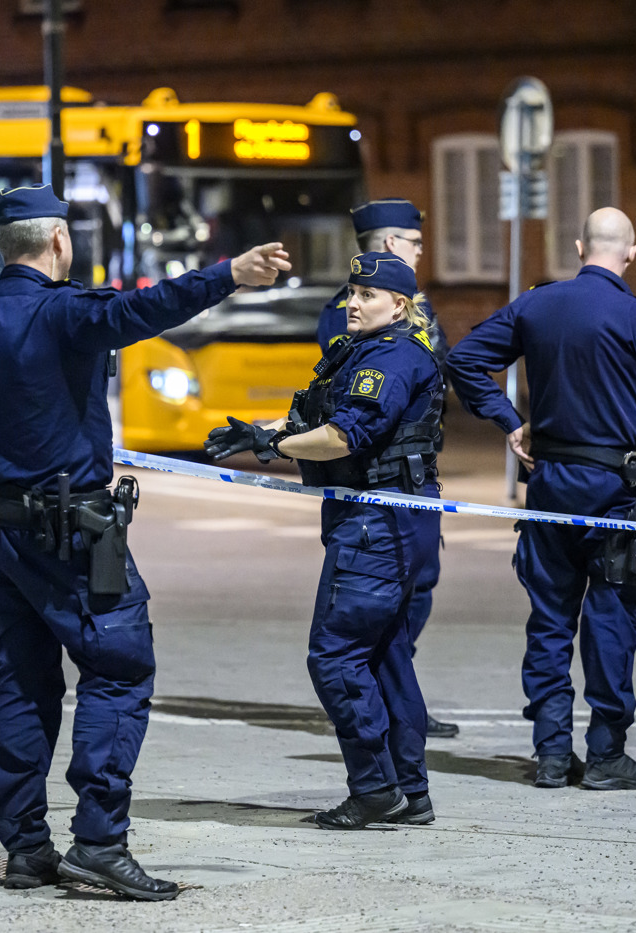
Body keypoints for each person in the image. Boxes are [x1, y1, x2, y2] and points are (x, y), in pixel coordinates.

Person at [0, 184, 290, 899]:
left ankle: (27, 848)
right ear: (59, 241)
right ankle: (98, 840)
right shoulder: (64, 313)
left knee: (22, 681)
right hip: (74, 534)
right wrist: (228, 274)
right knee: (120, 667)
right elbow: (141, 309)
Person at [443, 207, 636, 791]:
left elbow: (465, 360)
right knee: (610, 622)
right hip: (614, 496)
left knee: (549, 620)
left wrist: (511, 421)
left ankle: (552, 755)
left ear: (579, 247)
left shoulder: (537, 304)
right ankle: (606, 756)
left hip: (549, 487)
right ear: (630, 256)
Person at [207, 252, 444, 829]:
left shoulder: (388, 358)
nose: (353, 303)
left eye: (367, 295)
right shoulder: (365, 351)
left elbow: (344, 436)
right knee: (386, 656)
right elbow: (325, 420)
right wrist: (266, 432)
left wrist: (273, 449)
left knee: (335, 656)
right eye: (352, 292)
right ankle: (409, 792)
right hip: (388, 521)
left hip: (375, 527)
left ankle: (374, 788)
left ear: (400, 305)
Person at [317, 197, 459, 741]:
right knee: (363, 636)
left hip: (406, 486)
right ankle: (388, 744)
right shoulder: (354, 314)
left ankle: (400, 738)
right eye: (415, 242)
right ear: (391, 244)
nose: (423, 251)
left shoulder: (407, 306)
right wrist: (279, 441)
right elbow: (351, 413)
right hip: (372, 496)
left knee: (402, 612)